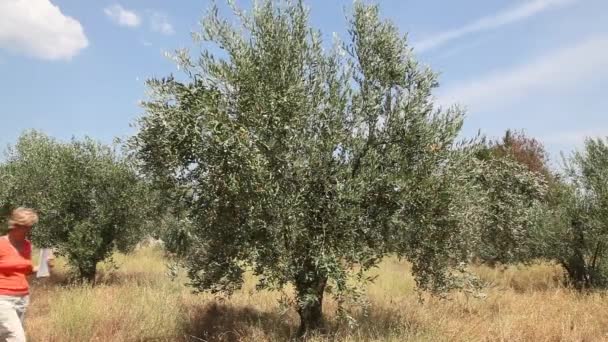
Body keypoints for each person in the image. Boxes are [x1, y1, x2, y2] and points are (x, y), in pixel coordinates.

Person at [0, 208, 47, 342]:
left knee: (4, 337)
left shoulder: (27, 245)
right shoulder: (1, 244)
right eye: (25, 227)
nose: (28, 231)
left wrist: (44, 266)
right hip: (2, 299)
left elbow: (25, 270)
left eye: (30, 227)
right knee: (17, 338)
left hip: (22, 298)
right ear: (14, 225)